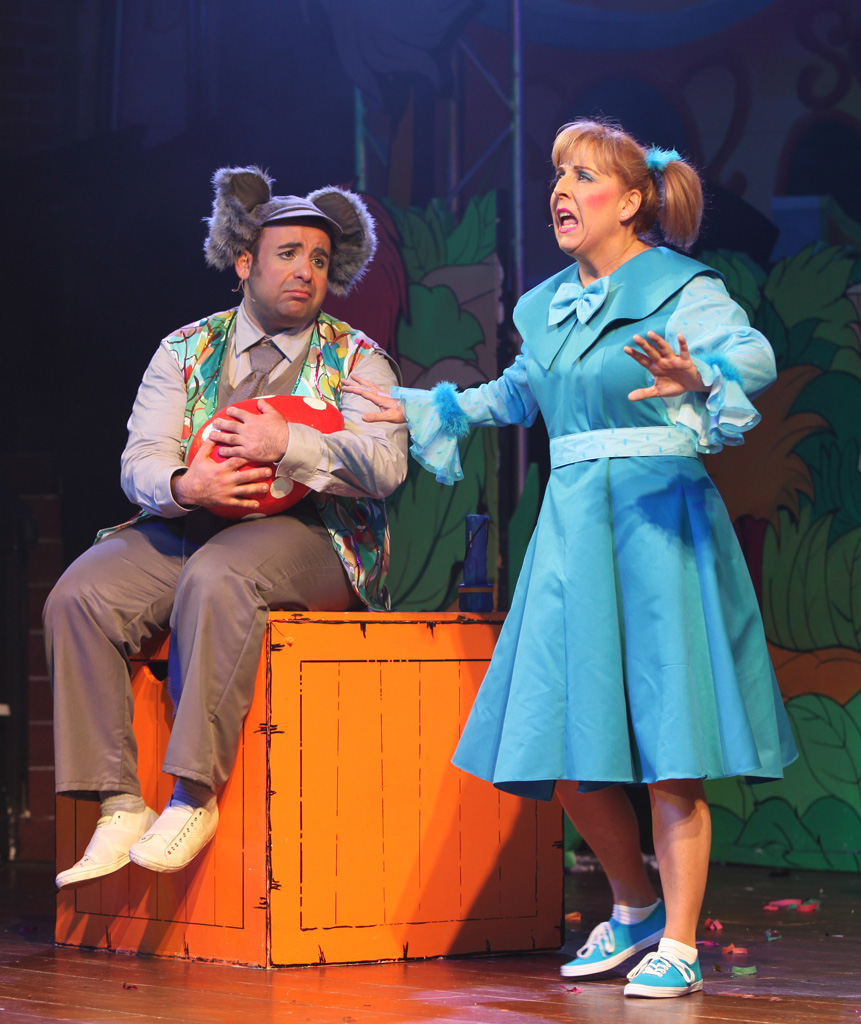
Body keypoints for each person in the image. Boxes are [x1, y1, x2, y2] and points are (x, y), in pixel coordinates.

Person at [346, 118, 797, 1000]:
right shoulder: (546, 304)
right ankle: (632, 907)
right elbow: (519, 392)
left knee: (668, 748)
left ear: (629, 202)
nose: (560, 188)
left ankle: (678, 939)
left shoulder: (679, 286)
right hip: (572, 529)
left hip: (658, 523)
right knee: (558, 736)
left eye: (583, 175)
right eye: (557, 172)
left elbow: (750, 355)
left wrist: (697, 377)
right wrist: (421, 406)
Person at [47, 167, 408, 887]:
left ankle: (193, 793)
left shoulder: (356, 357)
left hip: (315, 537)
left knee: (222, 574)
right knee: (79, 597)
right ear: (245, 262)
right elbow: (142, 459)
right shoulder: (184, 349)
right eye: (288, 253)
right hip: (193, 521)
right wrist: (187, 485)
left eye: (319, 259)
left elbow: (385, 464)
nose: (305, 271)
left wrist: (290, 444)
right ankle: (119, 803)